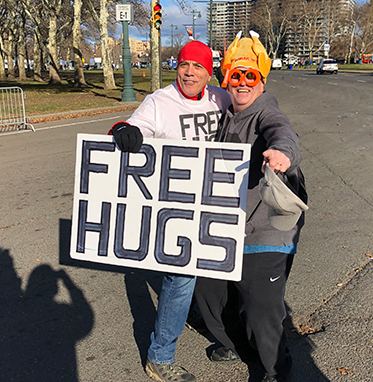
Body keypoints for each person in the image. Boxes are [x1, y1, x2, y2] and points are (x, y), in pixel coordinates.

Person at [108, 40, 231, 382]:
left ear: (209, 72)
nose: (190, 72)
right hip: (174, 208)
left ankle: (203, 319)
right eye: (184, 65)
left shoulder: (218, 98)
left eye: (198, 67)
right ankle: (160, 357)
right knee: (180, 277)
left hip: (212, 200)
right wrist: (123, 132)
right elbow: (133, 129)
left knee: (215, 270)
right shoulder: (159, 102)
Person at [193, 31, 308, 382]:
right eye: (236, 75)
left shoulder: (265, 113)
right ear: (226, 78)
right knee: (210, 294)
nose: (242, 83)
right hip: (226, 227)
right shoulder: (224, 114)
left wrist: (282, 154)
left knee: (262, 310)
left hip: (267, 230)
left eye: (250, 76)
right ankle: (240, 346)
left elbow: (283, 133)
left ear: (261, 79)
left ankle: (277, 370)